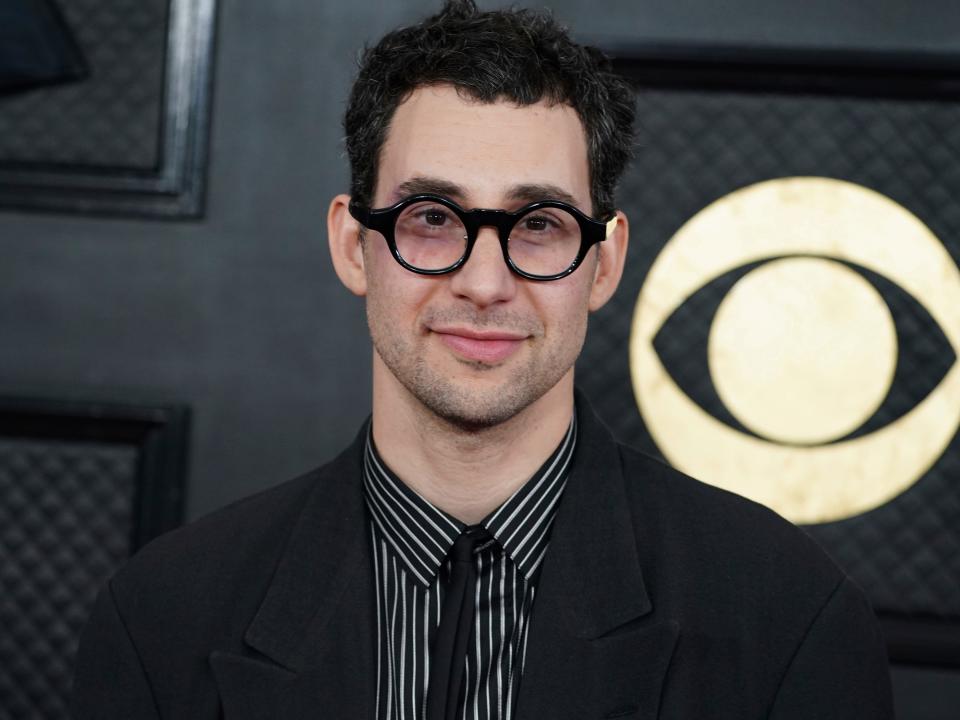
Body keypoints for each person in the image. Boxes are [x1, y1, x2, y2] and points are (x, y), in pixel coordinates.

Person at [72, 1, 894, 718]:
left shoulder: (789, 617)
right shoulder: (161, 618)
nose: (485, 282)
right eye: (431, 217)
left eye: (538, 224)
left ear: (603, 264)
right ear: (353, 246)